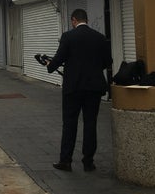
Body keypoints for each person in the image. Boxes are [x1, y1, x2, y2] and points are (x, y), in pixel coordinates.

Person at [45, 9, 112, 173]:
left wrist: (50, 66)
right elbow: (108, 61)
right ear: (86, 20)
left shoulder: (68, 36)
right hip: (94, 88)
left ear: (73, 20)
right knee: (90, 123)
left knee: (69, 123)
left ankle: (66, 161)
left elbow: (58, 59)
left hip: (73, 88)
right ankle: (88, 162)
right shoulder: (100, 37)